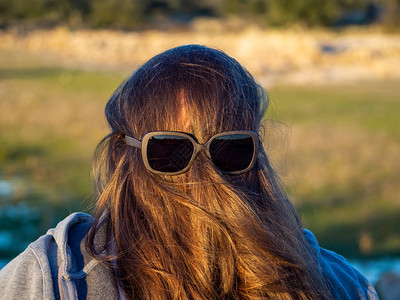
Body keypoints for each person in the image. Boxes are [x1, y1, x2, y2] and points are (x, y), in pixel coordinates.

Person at [0, 45, 378, 299]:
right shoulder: (341, 281)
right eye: (169, 150)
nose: (203, 173)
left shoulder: (51, 278)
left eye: (229, 149)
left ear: (119, 154)